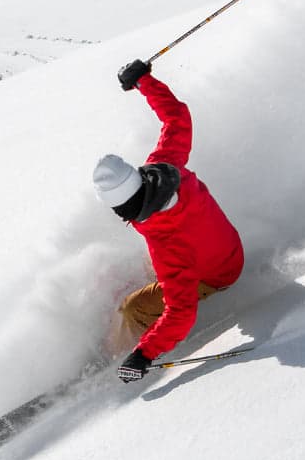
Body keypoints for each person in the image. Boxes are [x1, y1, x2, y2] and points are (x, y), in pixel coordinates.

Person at [93, 59, 245, 382]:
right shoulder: (163, 166)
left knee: (130, 308)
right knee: (133, 277)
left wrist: (143, 354)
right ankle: (128, 339)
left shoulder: (167, 244)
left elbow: (182, 311)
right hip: (224, 246)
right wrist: (144, 82)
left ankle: (116, 363)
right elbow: (177, 117)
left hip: (217, 274)